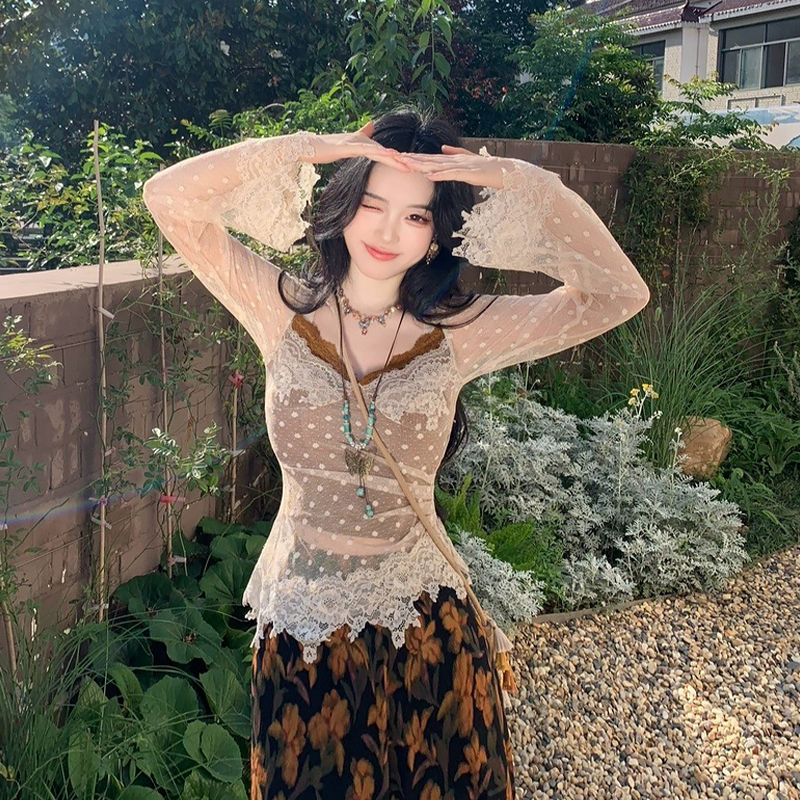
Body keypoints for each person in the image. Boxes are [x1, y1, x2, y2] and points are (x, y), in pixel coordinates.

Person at [142, 106, 650, 800]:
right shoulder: (277, 306)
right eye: (372, 203)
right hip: (303, 633)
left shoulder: (462, 329)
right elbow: (167, 198)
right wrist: (310, 146)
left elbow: (618, 294)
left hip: (429, 629)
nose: (387, 232)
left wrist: (519, 180)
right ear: (343, 201)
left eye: (415, 215)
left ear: (439, 231)